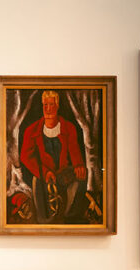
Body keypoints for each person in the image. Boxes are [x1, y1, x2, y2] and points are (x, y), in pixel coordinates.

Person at [20, 90, 87, 223]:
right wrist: (45, 173)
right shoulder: (31, 130)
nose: (49, 109)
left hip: (64, 175)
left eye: (52, 104)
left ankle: (69, 216)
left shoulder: (69, 127)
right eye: (45, 105)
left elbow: (74, 150)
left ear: (57, 106)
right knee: (43, 214)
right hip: (42, 176)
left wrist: (79, 165)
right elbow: (25, 156)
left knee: (80, 180)